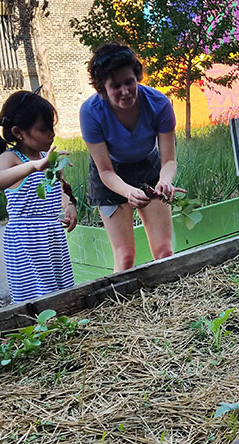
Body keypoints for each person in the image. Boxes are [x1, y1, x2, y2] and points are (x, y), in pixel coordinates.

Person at [79, 43, 185, 272]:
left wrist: (164, 181)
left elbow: (168, 161)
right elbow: (105, 171)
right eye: (115, 86)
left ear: (137, 77)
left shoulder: (158, 103)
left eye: (129, 82)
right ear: (102, 89)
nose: (125, 91)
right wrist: (128, 192)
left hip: (149, 165)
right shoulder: (90, 112)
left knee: (164, 251)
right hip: (111, 175)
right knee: (125, 256)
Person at [0, 87, 77, 303]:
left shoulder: (48, 157)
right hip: (27, 239)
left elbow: (58, 189)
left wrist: (69, 205)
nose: (51, 134)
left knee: (61, 293)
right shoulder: (12, 158)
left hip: (52, 236)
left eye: (52, 128)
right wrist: (35, 166)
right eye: (43, 129)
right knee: (37, 297)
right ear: (18, 132)